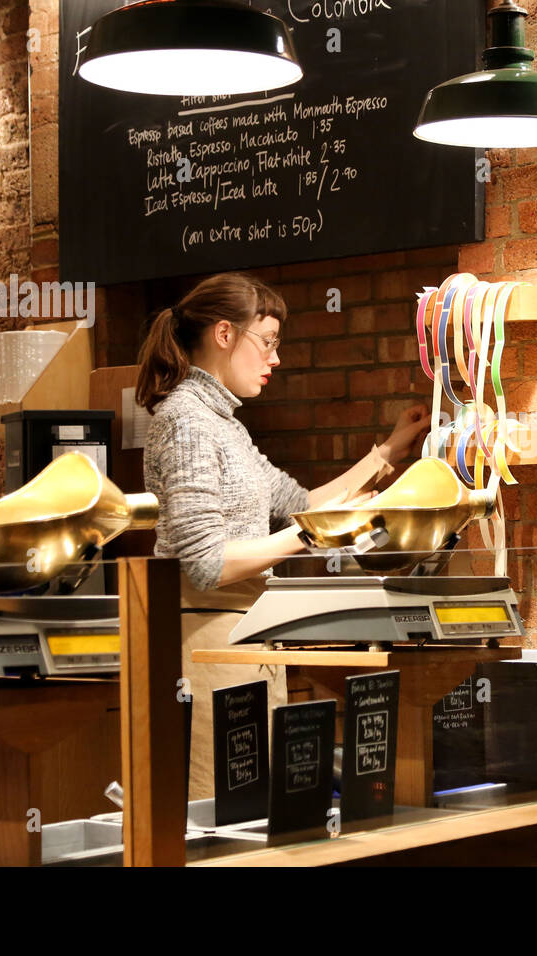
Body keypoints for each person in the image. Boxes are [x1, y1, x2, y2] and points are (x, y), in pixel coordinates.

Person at [136, 271, 431, 799]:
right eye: (267, 342)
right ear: (225, 334)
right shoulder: (186, 420)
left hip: (245, 637)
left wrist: (387, 453)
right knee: (222, 822)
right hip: (203, 646)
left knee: (255, 815)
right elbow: (205, 563)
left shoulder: (225, 423)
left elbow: (300, 504)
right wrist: (314, 534)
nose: (276, 359)